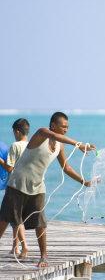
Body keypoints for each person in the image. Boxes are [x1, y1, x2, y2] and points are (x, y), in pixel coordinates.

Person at [0, 112, 96, 267]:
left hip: (38, 187)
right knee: (4, 219)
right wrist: (79, 145)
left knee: (40, 223)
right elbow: (55, 136)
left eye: (67, 127)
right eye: (63, 126)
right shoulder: (42, 133)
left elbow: (66, 167)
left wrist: (84, 182)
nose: (66, 129)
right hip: (17, 184)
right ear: (53, 125)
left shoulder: (60, 145)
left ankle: (43, 256)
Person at [0, 118, 30, 257]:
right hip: (27, 186)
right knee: (16, 218)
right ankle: (15, 247)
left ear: (17, 131)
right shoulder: (31, 146)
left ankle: (24, 246)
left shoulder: (15, 145)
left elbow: (9, 168)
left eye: (13, 132)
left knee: (14, 218)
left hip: (14, 187)